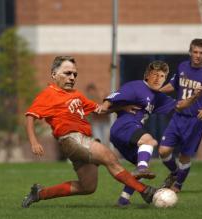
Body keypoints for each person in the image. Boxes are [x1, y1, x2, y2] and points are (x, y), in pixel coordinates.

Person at [22, 55, 157, 208]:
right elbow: (30, 116)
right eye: (67, 73)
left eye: (74, 74)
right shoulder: (48, 94)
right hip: (71, 139)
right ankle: (146, 191)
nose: (72, 77)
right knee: (109, 157)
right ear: (54, 74)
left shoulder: (76, 94)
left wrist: (121, 108)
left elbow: (99, 110)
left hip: (81, 141)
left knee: (88, 187)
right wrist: (34, 142)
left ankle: (39, 193)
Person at [103, 60, 202, 206]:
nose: (158, 79)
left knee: (141, 167)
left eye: (162, 76)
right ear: (147, 76)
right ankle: (142, 167)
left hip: (126, 132)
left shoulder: (158, 97)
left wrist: (194, 97)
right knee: (149, 142)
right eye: (154, 75)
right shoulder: (136, 86)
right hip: (124, 127)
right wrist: (106, 106)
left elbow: (179, 105)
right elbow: (112, 97)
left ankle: (123, 200)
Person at [158, 38, 202, 193]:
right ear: (190, 52)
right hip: (178, 116)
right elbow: (173, 85)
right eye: (195, 52)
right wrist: (156, 91)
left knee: (185, 156)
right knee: (163, 151)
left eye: (201, 53)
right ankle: (175, 173)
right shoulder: (182, 66)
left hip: (195, 121)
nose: (198, 55)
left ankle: (178, 185)